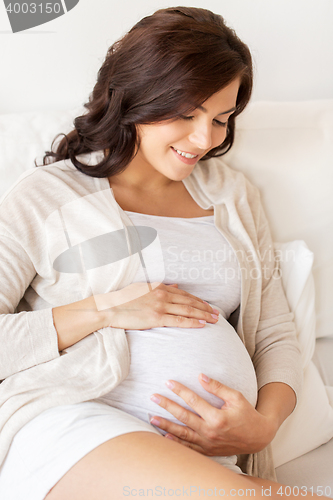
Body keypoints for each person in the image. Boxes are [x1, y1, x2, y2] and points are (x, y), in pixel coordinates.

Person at [0, 6, 325, 500]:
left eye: (221, 119)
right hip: (77, 425)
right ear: (135, 96)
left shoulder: (232, 196)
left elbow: (276, 332)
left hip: (203, 459)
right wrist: (104, 309)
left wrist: (264, 426)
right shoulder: (47, 195)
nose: (204, 139)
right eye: (186, 113)